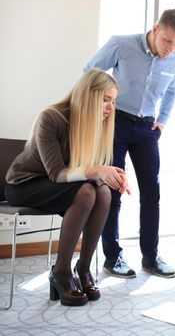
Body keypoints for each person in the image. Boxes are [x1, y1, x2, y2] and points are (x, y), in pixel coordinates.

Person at [83, 9, 175, 278]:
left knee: (151, 193)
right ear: (155, 29)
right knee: (114, 190)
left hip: (147, 128)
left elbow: (173, 90)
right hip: (115, 123)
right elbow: (89, 73)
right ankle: (113, 256)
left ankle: (151, 257)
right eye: (167, 40)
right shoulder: (121, 44)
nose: (171, 49)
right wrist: (99, 109)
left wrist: (163, 121)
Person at [5, 69, 125, 306]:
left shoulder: (98, 124)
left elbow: (90, 174)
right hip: (24, 184)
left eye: (113, 101)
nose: (111, 107)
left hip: (60, 186)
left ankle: (84, 267)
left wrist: (111, 176)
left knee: (102, 191)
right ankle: (61, 271)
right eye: (105, 100)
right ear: (87, 97)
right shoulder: (51, 117)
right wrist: (96, 171)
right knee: (88, 190)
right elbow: (56, 174)